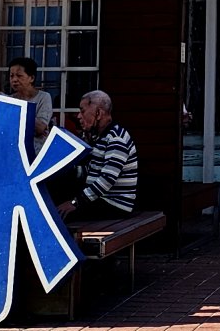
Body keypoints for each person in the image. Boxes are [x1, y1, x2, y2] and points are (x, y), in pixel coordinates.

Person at [57, 91, 137, 223]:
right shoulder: (101, 137)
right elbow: (92, 170)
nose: (79, 116)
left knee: (59, 216)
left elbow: (106, 180)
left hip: (113, 204)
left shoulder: (116, 138)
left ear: (98, 113)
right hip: (101, 200)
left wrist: (74, 202)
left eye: (82, 111)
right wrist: (66, 172)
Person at [7, 56, 55, 153]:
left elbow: (40, 128)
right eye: (11, 76)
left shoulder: (44, 97)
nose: (14, 80)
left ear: (31, 78)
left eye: (19, 76)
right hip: (14, 152)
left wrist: (15, 108)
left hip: (37, 153)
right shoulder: (9, 99)